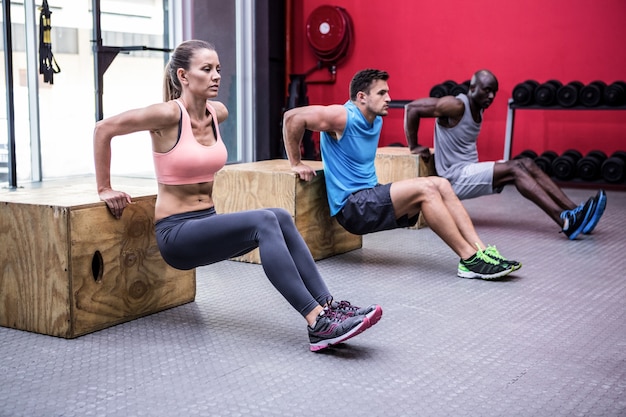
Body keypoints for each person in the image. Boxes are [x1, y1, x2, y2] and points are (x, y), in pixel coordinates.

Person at [93, 40, 382, 352]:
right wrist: (104, 187)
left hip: (207, 224)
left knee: (281, 217)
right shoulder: (166, 116)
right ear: (184, 76)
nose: (217, 75)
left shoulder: (218, 113)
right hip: (176, 234)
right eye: (207, 69)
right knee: (263, 222)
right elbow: (103, 129)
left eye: (218, 69)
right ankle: (317, 322)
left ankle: (328, 306)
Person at [282, 68, 520, 280]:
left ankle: (480, 251)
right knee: (426, 189)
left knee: (440, 184)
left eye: (388, 92)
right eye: (382, 93)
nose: (389, 99)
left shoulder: (373, 118)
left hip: (369, 197)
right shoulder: (343, 116)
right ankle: (469, 260)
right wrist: (296, 162)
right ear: (362, 98)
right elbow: (293, 117)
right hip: (352, 207)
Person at [403, 69, 607, 240]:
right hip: (455, 178)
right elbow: (412, 108)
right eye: (487, 91)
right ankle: (565, 220)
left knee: (526, 162)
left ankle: (577, 212)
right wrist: (414, 145)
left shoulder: (478, 107)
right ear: (473, 88)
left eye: (494, 92)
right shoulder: (457, 105)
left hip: (469, 172)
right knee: (515, 169)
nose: (491, 97)